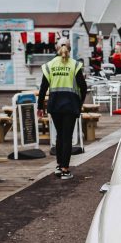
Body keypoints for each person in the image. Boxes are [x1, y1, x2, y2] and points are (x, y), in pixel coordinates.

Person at [38, 43, 89, 180]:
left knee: (59, 136)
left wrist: (39, 107)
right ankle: (65, 169)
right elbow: (83, 87)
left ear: (57, 50)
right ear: (70, 50)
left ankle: (59, 166)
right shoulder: (74, 65)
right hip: (71, 105)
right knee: (67, 137)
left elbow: (43, 88)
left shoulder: (49, 65)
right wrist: (80, 103)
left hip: (54, 105)